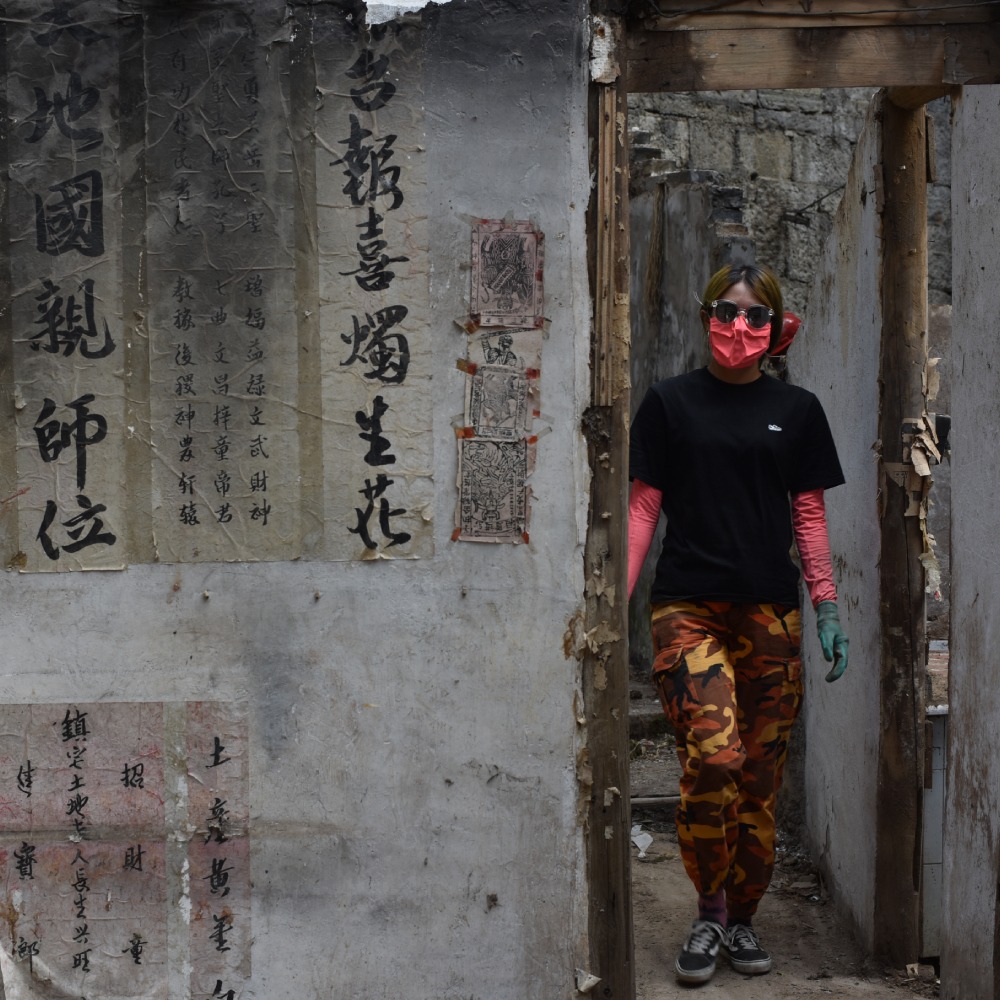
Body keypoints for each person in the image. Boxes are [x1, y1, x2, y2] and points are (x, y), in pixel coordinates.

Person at [627, 263, 849, 986]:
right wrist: (614, 600)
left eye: (755, 316)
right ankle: (710, 911)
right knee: (715, 757)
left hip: (770, 611)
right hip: (687, 605)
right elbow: (643, 508)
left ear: (776, 329)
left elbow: (808, 515)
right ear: (706, 315)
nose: (739, 326)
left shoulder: (799, 410)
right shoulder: (668, 402)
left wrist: (826, 606)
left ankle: (743, 917)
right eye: (727, 311)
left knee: (758, 778)